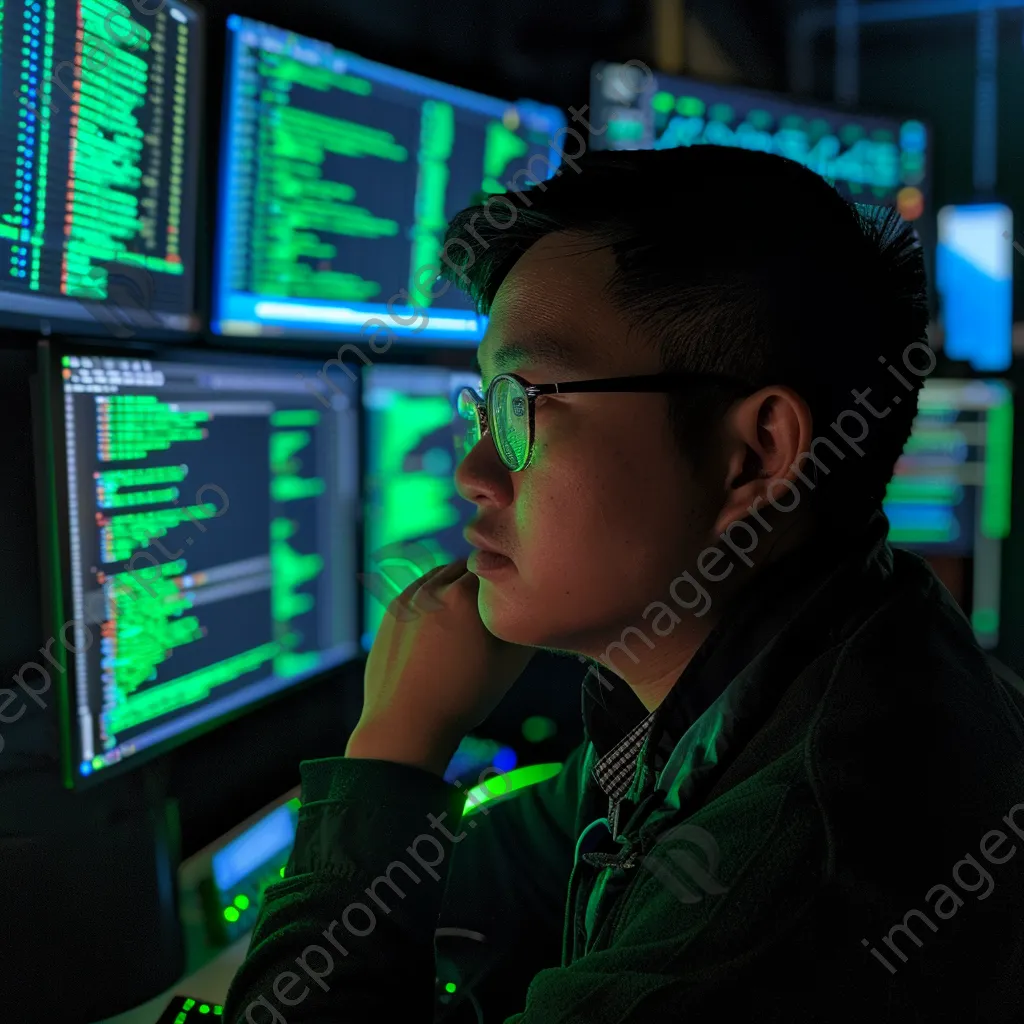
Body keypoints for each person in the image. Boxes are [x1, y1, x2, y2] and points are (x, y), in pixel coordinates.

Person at [225, 146, 1024, 1023]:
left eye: (525, 404)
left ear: (755, 455)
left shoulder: (786, 889)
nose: (475, 470)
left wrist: (390, 751)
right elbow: (503, 872)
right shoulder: (789, 664)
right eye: (485, 405)